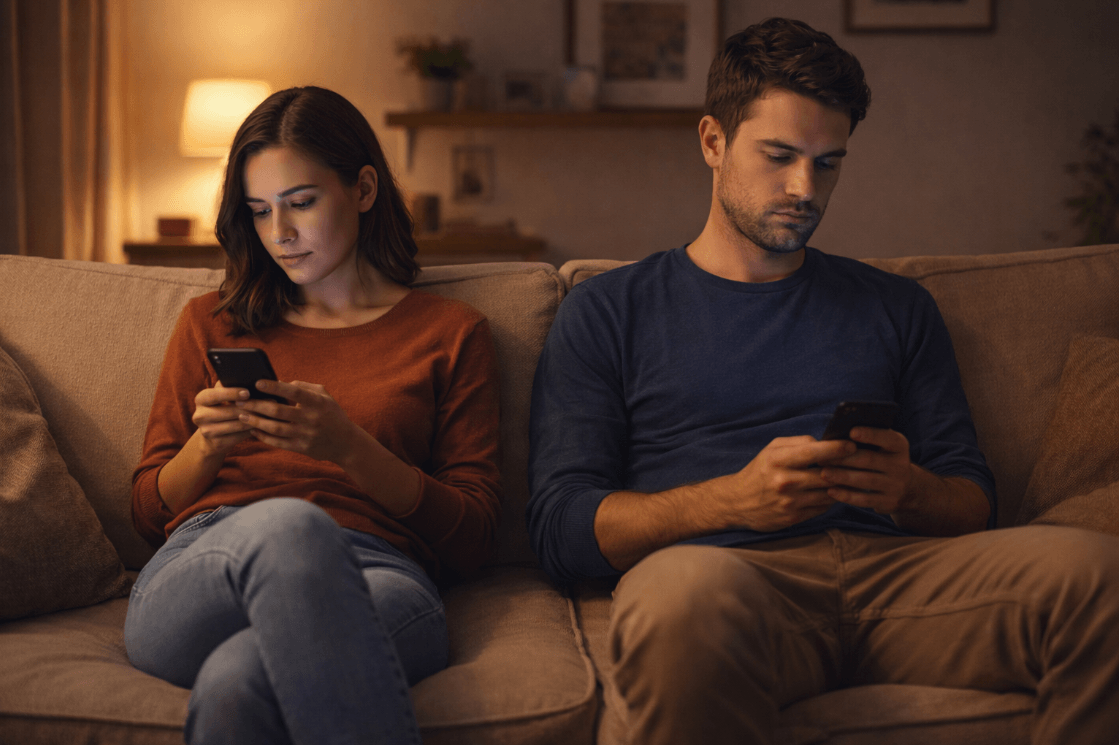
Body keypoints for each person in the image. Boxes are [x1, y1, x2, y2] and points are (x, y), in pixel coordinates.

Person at [527, 17, 1119, 745]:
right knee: (681, 599)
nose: (804, 188)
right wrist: (728, 499)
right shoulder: (609, 309)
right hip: (723, 576)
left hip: (901, 579)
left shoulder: (895, 306)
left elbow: (972, 499)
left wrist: (911, 491)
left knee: (1099, 571)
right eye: (778, 156)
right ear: (712, 141)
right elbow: (559, 528)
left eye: (827, 163)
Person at [125, 86, 501, 745]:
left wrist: (351, 449)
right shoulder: (209, 322)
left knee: (235, 684)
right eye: (261, 211)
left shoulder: (451, 332)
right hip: (204, 566)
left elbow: (472, 537)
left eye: (300, 202)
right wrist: (205, 450)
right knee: (287, 526)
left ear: (362, 188)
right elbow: (145, 510)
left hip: (377, 571)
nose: (281, 233)